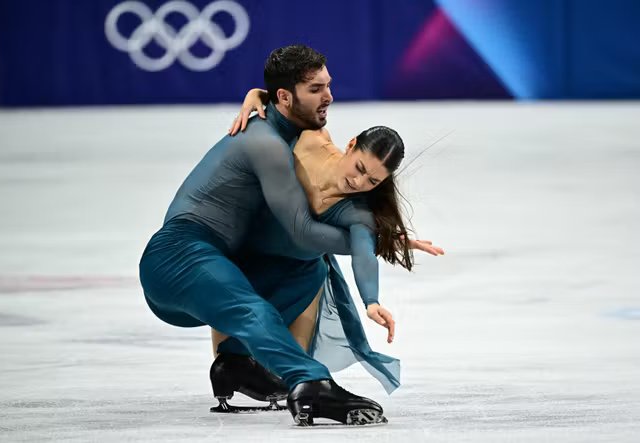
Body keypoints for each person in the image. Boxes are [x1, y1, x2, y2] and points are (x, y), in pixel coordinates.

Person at [140, 44, 390, 426]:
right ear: (285, 97)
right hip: (177, 255)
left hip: (213, 259)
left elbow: (303, 243)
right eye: (316, 89)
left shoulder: (292, 131)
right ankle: (310, 382)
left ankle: (237, 364)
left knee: (306, 268)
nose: (328, 96)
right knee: (253, 303)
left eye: (328, 85)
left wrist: (256, 94)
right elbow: (302, 231)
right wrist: (373, 243)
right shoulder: (266, 143)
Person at [210, 95, 444, 408]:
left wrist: (371, 301)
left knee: (315, 269)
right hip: (243, 237)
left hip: (288, 260)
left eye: (372, 181)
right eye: (359, 167)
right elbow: (289, 98)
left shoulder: (356, 212)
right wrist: (257, 94)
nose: (358, 182)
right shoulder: (312, 139)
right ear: (351, 144)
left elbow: (362, 248)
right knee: (232, 292)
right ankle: (229, 368)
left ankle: (288, 377)